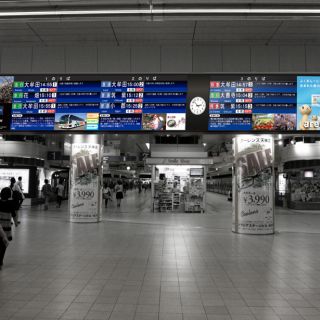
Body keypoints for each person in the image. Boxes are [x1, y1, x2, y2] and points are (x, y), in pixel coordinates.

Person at [0, 187, 18, 270]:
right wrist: (16, 223)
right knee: (3, 245)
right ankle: (0, 261)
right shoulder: (10, 203)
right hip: (6, 227)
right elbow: (14, 214)